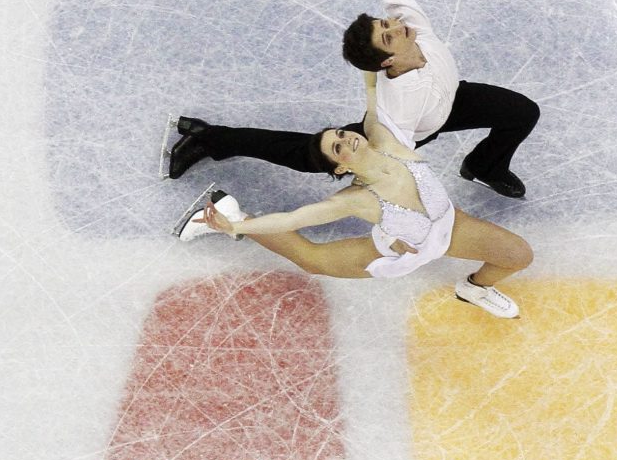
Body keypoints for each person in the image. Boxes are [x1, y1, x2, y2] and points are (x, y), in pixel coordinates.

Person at [163, 0, 539, 198]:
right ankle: (211, 138)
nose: (396, 26)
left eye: (385, 24)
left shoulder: (410, 24)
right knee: (310, 155)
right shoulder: (400, 106)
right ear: (388, 62)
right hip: (413, 125)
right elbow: (397, 157)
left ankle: (485, 165)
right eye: (389, 36)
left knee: (521, 112)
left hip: (451, 97)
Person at [174, 72, 532, 318]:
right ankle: (235, 214)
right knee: (312, 259)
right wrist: (236, 230)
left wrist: (368, 70)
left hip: (449, 228)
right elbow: (293, 220)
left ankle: (473, 289)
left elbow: (374, 100)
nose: (348, 138)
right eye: (338, 147)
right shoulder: (356, 200)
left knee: (518, 255)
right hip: (395, 249)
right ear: (341, 168)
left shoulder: (389, 142)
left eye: (342, 134)